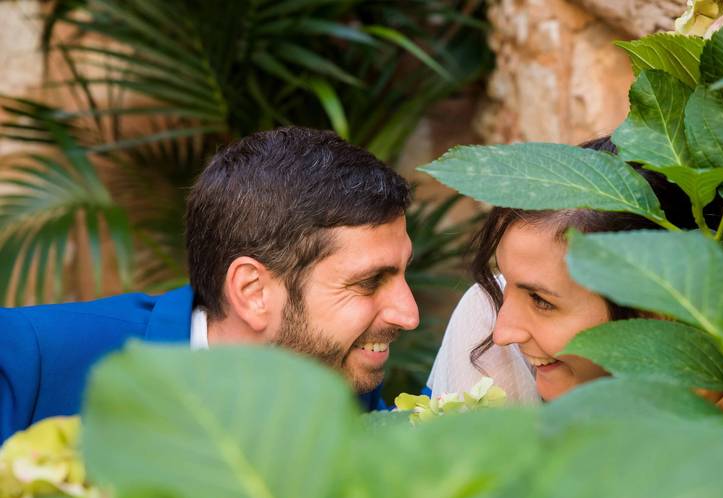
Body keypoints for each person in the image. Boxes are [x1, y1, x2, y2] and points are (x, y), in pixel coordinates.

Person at [0, 127, 420, 440]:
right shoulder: (26, 363)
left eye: (403, 272)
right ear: (252, 291)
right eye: (368, 282)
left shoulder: (345, 388)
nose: (409, 314)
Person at [427, 136, 723, 410]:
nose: (504, 331)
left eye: (542, 301)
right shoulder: (485, 319)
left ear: (662, 311)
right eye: (507, 280)